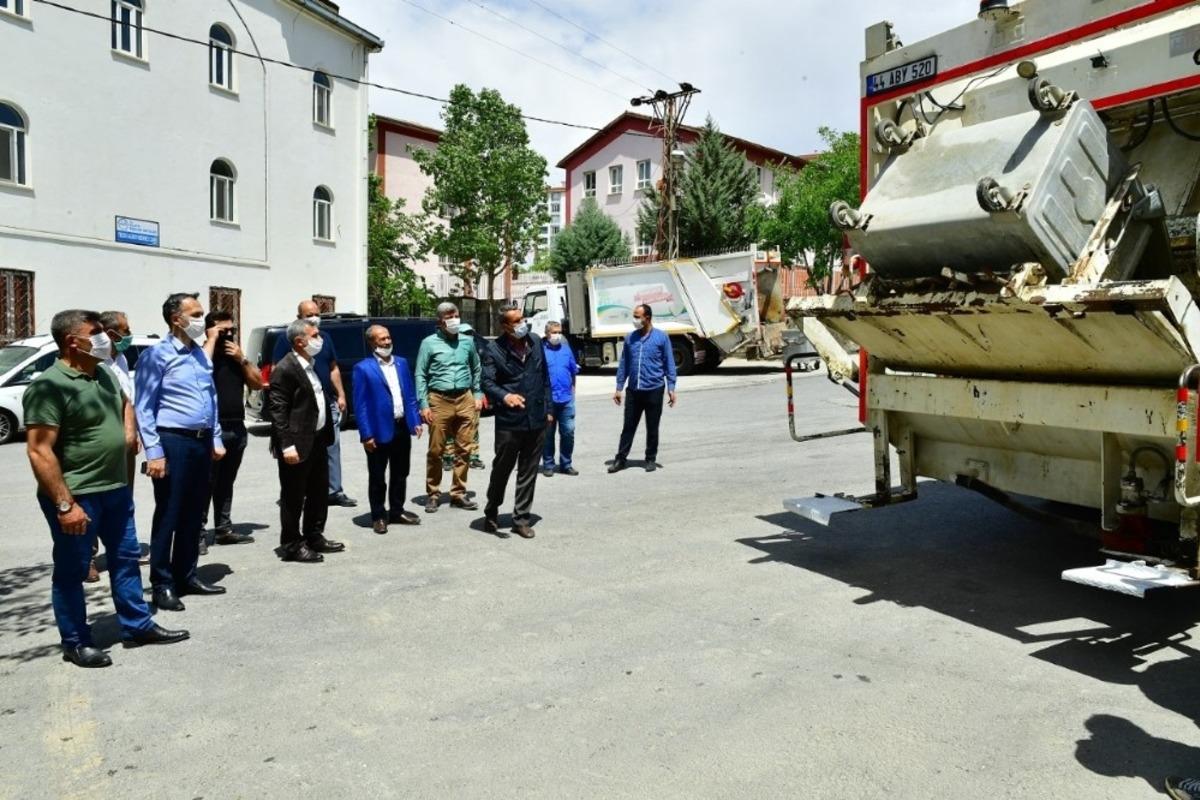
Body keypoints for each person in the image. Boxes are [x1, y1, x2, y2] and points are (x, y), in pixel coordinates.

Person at [24, 309, 188, 668]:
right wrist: (65, 505)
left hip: (115, 488)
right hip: (78, 495)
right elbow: (39, 450)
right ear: (72, 341)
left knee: (126, 559)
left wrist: (129, 430)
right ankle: (76, 641)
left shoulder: (103, 374)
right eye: (96, 333)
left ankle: (136, 625)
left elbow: (126, 401)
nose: (104, 339)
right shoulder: (49, 385)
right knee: (72, 569)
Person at [134, 293, 227, 612]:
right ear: (177, 319)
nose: (203, 319)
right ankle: (162, 583)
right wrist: (155, 452)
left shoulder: (200, 355)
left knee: (194, 512)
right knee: (170, 513)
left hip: (201, 442)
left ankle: (186, 574)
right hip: (172, 441)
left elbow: (210, 399)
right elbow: (144, 408)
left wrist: (214, 437)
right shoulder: (157, 355)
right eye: (197, 313)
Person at [269, 319, 346, 563]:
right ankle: (292, 544)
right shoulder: (286, 368)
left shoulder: (311, 364)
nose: (319, 339)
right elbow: (278, 411)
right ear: (299, 341)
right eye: (314, 335)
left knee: (318, 492)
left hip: (318, 438)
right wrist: (286, 445)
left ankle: (314, 535)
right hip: (297, 443)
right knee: (294, 496)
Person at [271, 301, 357, 509]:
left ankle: (333, 491)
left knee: (330, 446)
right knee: (301, 450)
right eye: (309, 315)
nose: (314, 318)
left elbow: (333, 368)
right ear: (299, 316)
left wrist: (341, 395)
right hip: (301, 408)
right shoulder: (288, 338)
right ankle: (298, 494)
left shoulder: (324, 338)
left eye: (317, 314)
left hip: (327, 401)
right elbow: (278, 371)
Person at [482, 304, 552, 539]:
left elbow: (545, 378)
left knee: (528, 472)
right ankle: (492, 510)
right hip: (509, 423)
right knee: (502, 470)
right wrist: (505, 396)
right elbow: (487, 382)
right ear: (505, 326)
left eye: (522, 319)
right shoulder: (494, 350)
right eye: (516, 321)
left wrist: (548, 409)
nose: (522, 324)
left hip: (536, 419)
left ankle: (521, 519)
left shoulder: (534, 341)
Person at [352, 325, 423, 534]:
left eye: (388, 338)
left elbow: (409, 395)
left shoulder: (401, 363)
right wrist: (366, 434)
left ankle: (397, 510)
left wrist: (415, 420)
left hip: (401, 426)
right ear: (372, 343)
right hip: (378, 430)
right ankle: (379, 515)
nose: (387, 342)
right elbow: (361, 405)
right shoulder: (363, 368)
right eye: (382, 339)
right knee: (377, 476)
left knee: (401, 473)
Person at [200, 310, 261, 549]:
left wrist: (242, 358)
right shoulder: (202, 355)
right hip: (210, 428)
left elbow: (257, 383)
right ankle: (198, 534)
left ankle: (224, 528)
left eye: (230, 330)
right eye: (221, 330)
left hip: (236, 426)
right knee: (205, 484)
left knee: (226, 481)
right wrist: (211, 341)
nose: (227, 335)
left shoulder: (235, 356)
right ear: (208, 330)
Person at [415, 302, 484, 513]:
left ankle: (458, 493)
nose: (453, 318)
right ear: (440, 321)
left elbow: (476, 367)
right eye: (448, 315)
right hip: (439, 400)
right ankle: (433, 494)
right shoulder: (429, 343)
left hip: (464, 398)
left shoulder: (467, 342)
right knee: (436, 450)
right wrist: (423, 404)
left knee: (464, 449)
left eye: (455, 314)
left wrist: (478, 393)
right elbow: (420, 374)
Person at [609, 304, 678, 474]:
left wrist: (671, 387)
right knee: (628, 426)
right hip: (634, 390)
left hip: (654, 389)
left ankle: (650, 459)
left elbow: (669, 363)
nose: (635, 320)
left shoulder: (661, 338)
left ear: (647, 318)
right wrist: (619, 387)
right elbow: (624, 364)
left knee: (652, 426)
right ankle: (620, 459)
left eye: (637, 316)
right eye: (634, 316)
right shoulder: (630, 338)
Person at [441, 322, 487, 472]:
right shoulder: (450, 352)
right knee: (449, 427)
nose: (469, 337)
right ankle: (448, 457)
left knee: (472, 427)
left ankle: (473, 456)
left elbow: (478, 374)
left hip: (471, 394)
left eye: (471, 334)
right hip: (451, 396)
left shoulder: (475, 352)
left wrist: (480, 395)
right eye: (466, 334)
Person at [541, 320, 580, 478]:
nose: (557, 335)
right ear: (547, 333)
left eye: (559, 332)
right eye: (554, 332)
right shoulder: (541, 352)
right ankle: (548, 464)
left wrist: (573, 389)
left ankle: (566, 464)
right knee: (548, 434)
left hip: (566, 399)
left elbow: (573, 370)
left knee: (568, 432)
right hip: (549, 401)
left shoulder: (566, 350)